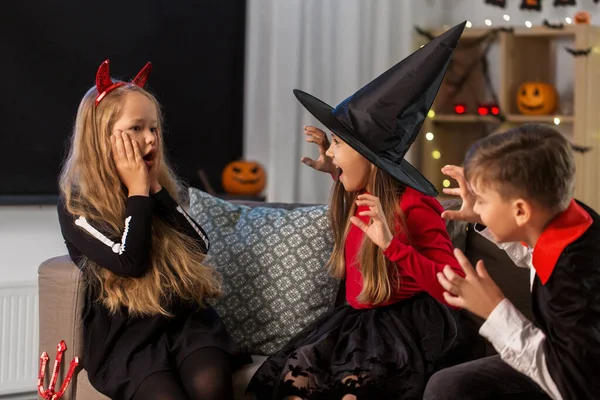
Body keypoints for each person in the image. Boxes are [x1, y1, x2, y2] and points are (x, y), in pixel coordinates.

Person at [248, 22, 475, 400]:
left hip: (406, 327)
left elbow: (451, 285)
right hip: (354, 320)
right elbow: (350, 204)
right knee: (294, 378)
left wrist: (393, 246)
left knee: (357, 388)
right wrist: (334, 173)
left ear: (370, 157)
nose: (331, 150)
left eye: (338, 144)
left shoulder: (416, 206)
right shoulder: (360, 193)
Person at [57, 59, 251, 400]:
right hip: (128, 334)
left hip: (183, 319)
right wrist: (137, 193)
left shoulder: (157, 188)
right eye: (136, 129)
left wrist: (156, 190)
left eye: (154, 128)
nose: (149, 139)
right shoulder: (77, 204)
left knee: (211, 384)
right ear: (102, 137)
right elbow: (130, 263)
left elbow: (198, 246)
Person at [427, 123, 600, 399]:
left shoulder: (574, 279)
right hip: (560, 357)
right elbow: (534, 252)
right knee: (447, 386)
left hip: (575, 379)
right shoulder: (565, 218)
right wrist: (483, 214)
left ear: (520, 210)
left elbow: (575, 386)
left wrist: (495, 311)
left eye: (482, 200)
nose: (477, 207)